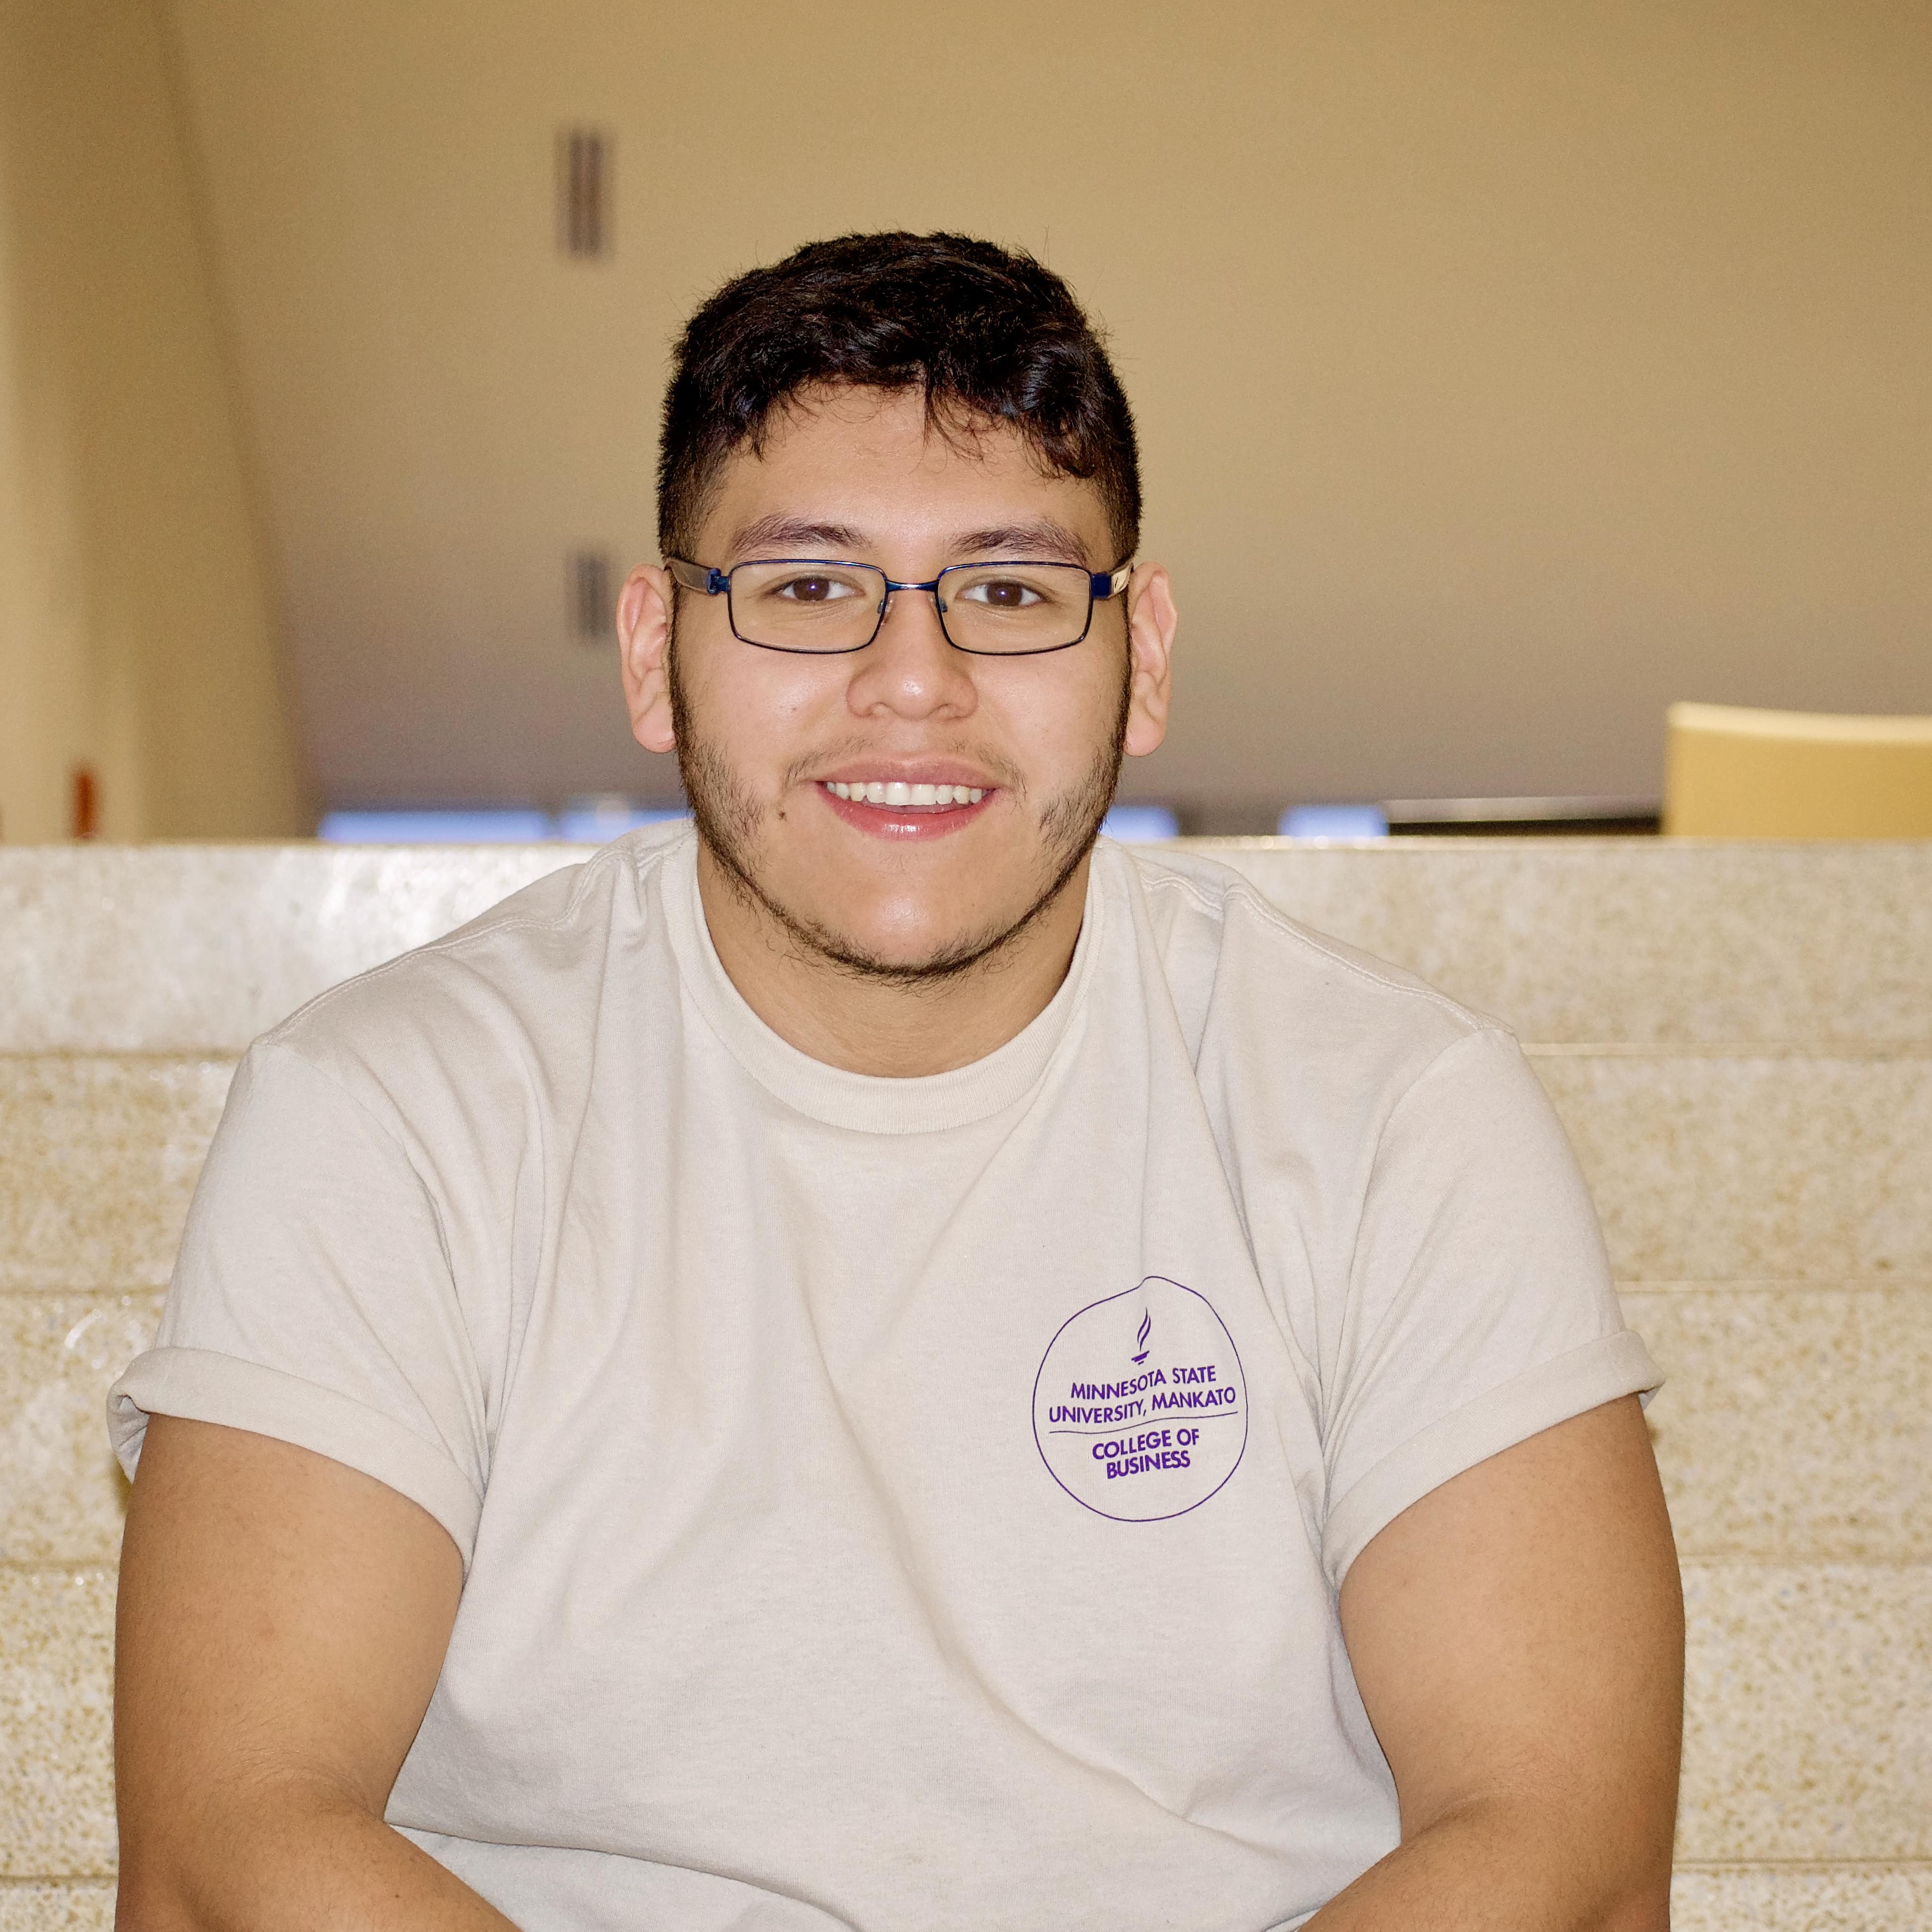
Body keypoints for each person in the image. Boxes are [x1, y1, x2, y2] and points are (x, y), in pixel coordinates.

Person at [109, 231, 1681, 1931]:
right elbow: (231, 1852)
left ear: (1139, 654)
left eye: (1008, 590)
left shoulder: (1394, 1114)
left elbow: (1560, 1848)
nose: (911, 682)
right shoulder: (390, 1113)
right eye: (806, 587)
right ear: (654, 651)